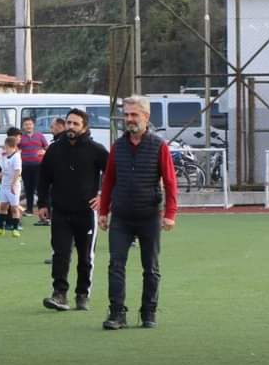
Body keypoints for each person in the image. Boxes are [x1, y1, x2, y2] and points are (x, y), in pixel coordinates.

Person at [98, 95, 179, 331]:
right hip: (121, 216)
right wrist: (104, 211)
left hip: (149, 215)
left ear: (146, 116)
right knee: (116, 265)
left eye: (134, 114)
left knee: (151, 267)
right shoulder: (118, 146)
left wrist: (170, 213)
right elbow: (109, 180)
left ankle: (149, 311)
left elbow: (170, 181)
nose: (129, 119)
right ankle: (116, 313)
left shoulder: (159, 146)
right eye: (126, 115)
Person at [37, 108, 109, 312]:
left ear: (84, 127)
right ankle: (59, 294)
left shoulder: (96, 149)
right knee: (60, 254)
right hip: (60, 212)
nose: (71, 127)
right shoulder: (54, 149)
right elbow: (43, 179)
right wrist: (42, 203)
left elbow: (113, 174)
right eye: (69, 123)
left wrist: (103, 196)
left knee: (86, 257)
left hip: (86, 213)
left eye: (76, 124)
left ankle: (82, 294)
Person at [0, 136, 23, 238]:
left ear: (11, 146)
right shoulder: (5, 157)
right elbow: (3, 171)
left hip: (13, 187)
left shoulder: (16, 157)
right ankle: (1, 229)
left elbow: (18, 171)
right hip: (4, 186)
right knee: (3, 207)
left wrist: (13, 185)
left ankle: (15, 229)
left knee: (14, 208)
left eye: (5, 146)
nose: (4, 148)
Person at [18, 117, 49, 217]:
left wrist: (44, 153)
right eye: (26, 124)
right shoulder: (21, 137)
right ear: (23, 126)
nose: (28, 126)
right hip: (25, 166)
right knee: (28, 188)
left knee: (39, 188)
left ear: (33, 125)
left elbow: (47, 148)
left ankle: (42, 208)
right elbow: (16, 149)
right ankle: (29, 209)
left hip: (38, 166)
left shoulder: (39, 136)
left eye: (30, 124)